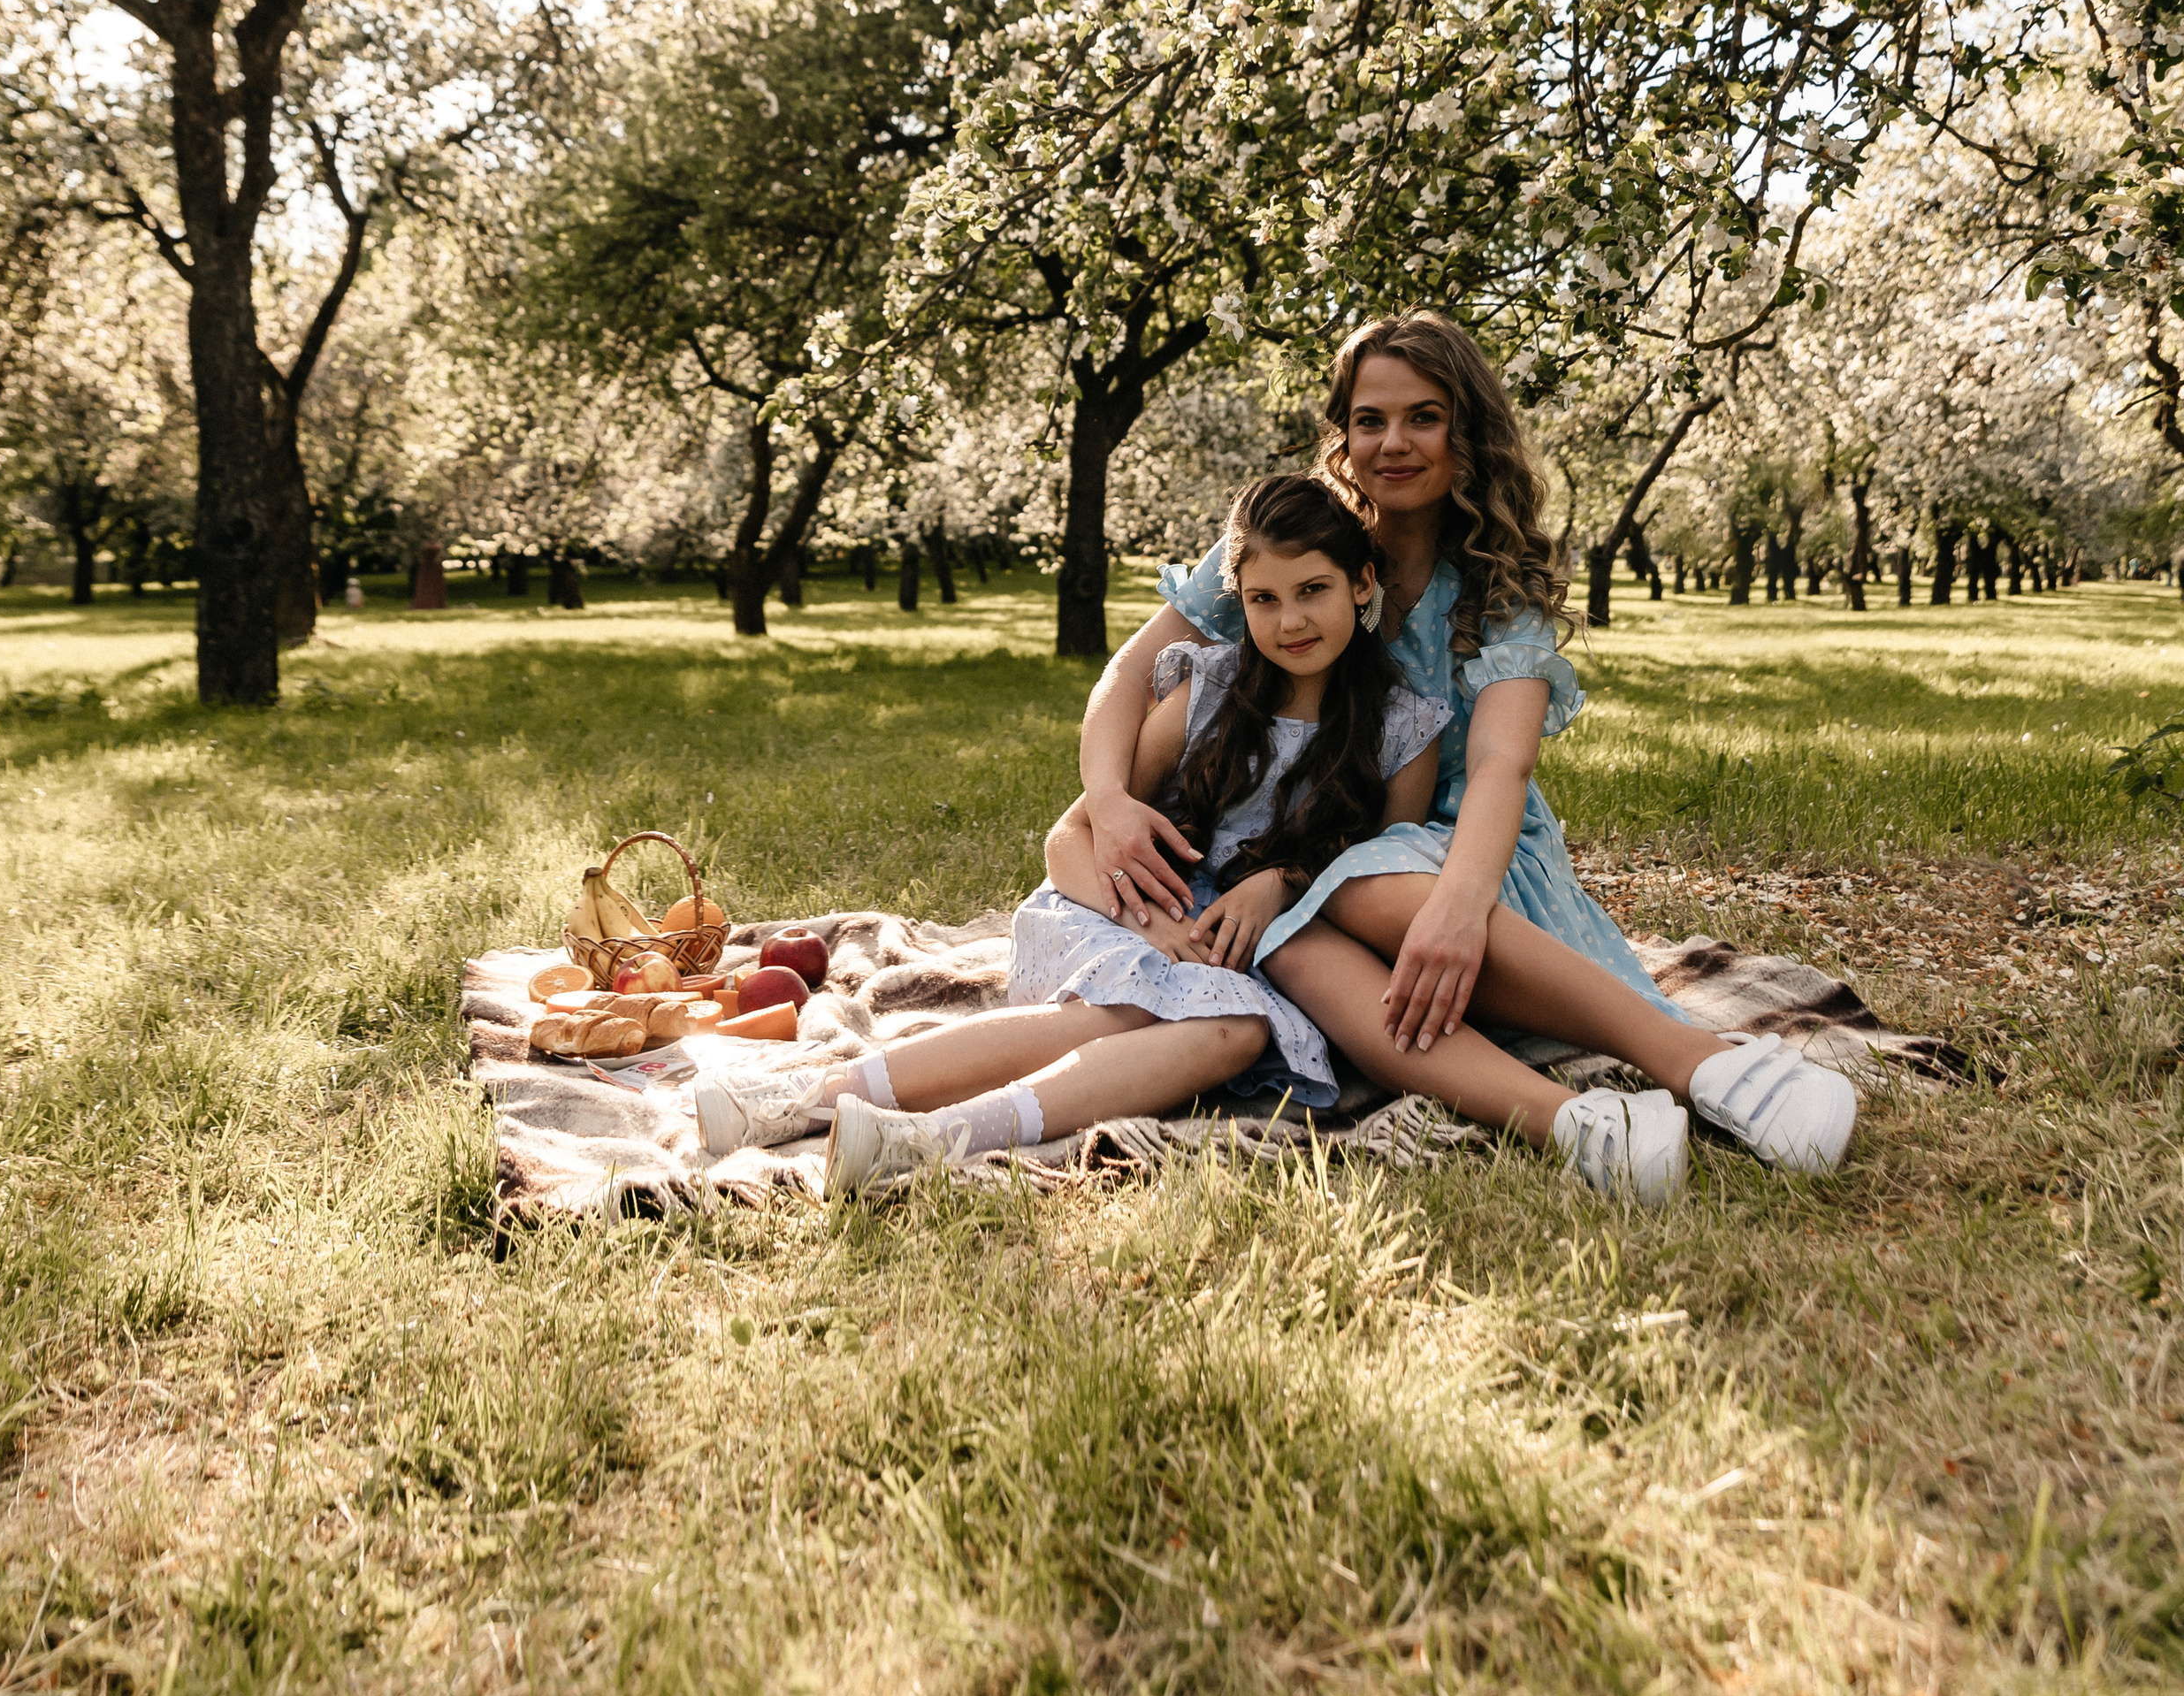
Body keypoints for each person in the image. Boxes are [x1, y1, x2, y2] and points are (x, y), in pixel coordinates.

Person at [1053, 309, 1857, 1178]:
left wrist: (1458, 902)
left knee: (1352, 885)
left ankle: (1708, 1066)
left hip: (1463, 843)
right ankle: (1583, 1131)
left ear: (1465, 431)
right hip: (1305, 854)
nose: (1393, 442)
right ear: (1343, 432)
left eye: (1422, 417)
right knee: (1292, 932)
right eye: (1369, 420)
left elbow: (1500, 768)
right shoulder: (1292, 541)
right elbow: (1129, 677)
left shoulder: (1493, 587)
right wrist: (1106, 800)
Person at [691, 475, 1444, 1183]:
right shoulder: (1209, 693)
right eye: (1263, 599)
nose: (1290, 621)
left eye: (1312, 590)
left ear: (1363, 583)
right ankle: (810, 1098)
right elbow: (1069, 839)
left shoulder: (1401, 730)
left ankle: (928, 1139)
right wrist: (1154, 928)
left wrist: (1279, 885)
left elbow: (1378, 874)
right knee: (1139, 1003)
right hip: (1119, 917)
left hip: (1239, 963)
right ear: (1238, 602)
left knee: (1240, 1030)